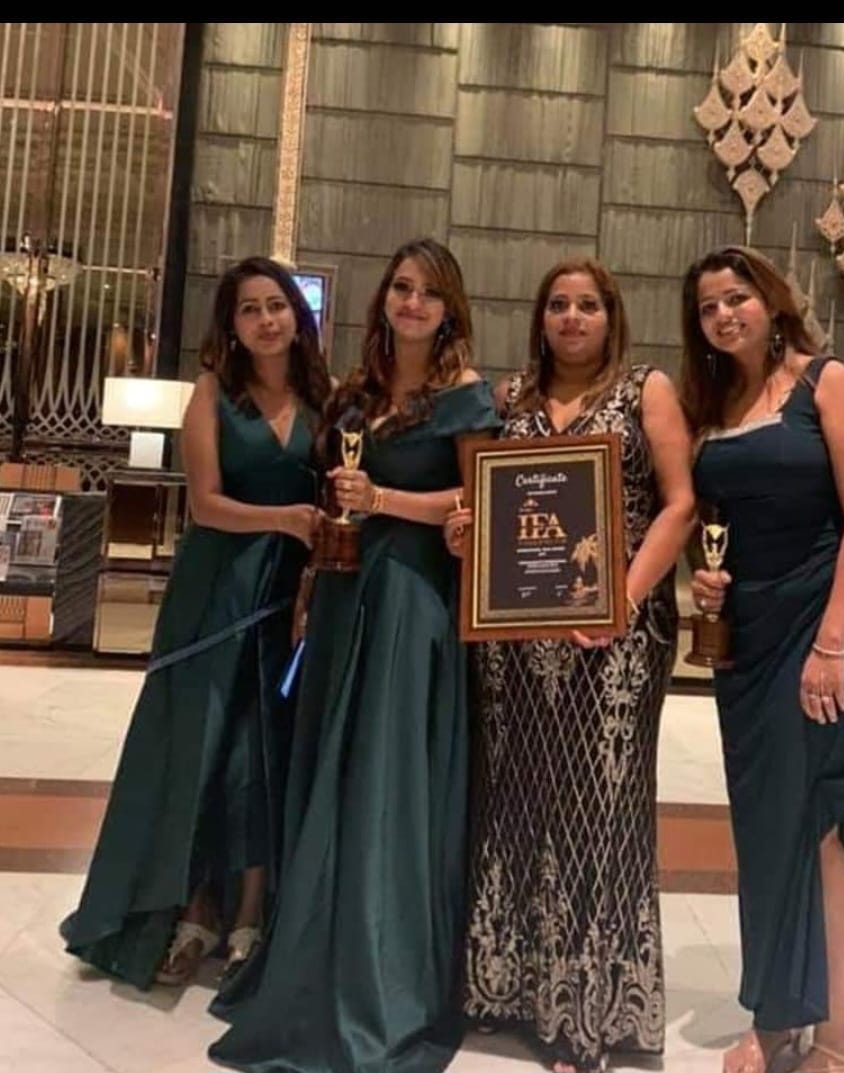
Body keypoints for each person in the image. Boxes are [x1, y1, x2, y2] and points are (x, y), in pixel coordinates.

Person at [209, 238, 501, 1073]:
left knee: (384, 776)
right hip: (341, 592)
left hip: (411, 596)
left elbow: (480, 495)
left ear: (449, 309)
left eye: (428, 292)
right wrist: (308, 588)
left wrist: (385, 498)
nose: (411, 302)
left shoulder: (465, 395)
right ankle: (316, 949)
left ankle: (381, 977)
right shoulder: (354, 392)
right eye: (400, 287)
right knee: (333, 768)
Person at [445, 258, 695, 1073]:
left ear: (610, 315)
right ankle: (509, 991)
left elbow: (680, 504)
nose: (571, 317)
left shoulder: (645, 390)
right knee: (516, 803)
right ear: (540, 316)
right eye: (557, 303)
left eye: (587, 304)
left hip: (616, 636)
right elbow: (488, 508)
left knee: (600, 810)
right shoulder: (510, 399)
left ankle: (590, 1007)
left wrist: (621, 596)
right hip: (516, 643)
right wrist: (465, 533)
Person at [61, 256, 330, 989]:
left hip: (289, 597)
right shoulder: (212, 394)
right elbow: (206, 504)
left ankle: (250, 913)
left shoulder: (325, 398)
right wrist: (285, 519)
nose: (266, 319)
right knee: (200, 746)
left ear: (297, 316)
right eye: (250, 309)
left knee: (262, 751)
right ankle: (191, 909)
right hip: (217, 592)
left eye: (277, 305)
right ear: (232, 326)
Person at [682, 246, 844, 1073]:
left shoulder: (826, 382)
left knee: (815, 821)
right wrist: (706, 578)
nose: (723, 315)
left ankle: (841, 1032)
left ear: (771, 301)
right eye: (707, 306)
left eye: (736, 297)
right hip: (749, 633)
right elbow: (714, 521)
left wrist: (831, 643)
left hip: (824, 620)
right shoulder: (717, 403)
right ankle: (778, 1015)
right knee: (766, 827)